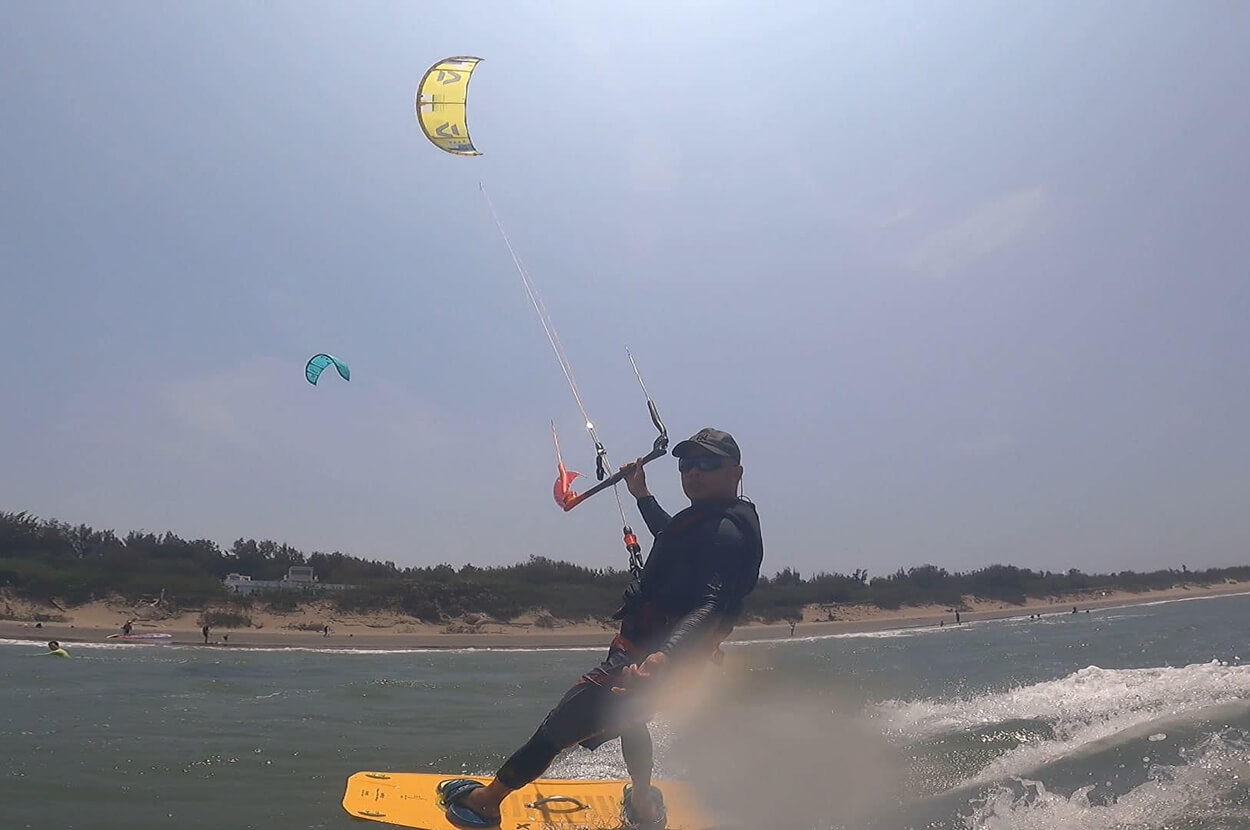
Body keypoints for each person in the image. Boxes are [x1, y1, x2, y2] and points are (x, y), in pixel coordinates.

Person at [439, 428, 764, 829]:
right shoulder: (711, 520)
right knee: (631, 719)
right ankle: (643, 805)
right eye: (687, 463)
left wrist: (663, 658)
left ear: (736, 471)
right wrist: (642, 495)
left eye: (708, 463)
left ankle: (486, 803)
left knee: (563, 722)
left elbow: (710, 605)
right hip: (649, 651)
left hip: (654, 659)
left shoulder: (726, 534)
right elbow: (671, 538)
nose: (694, 471)